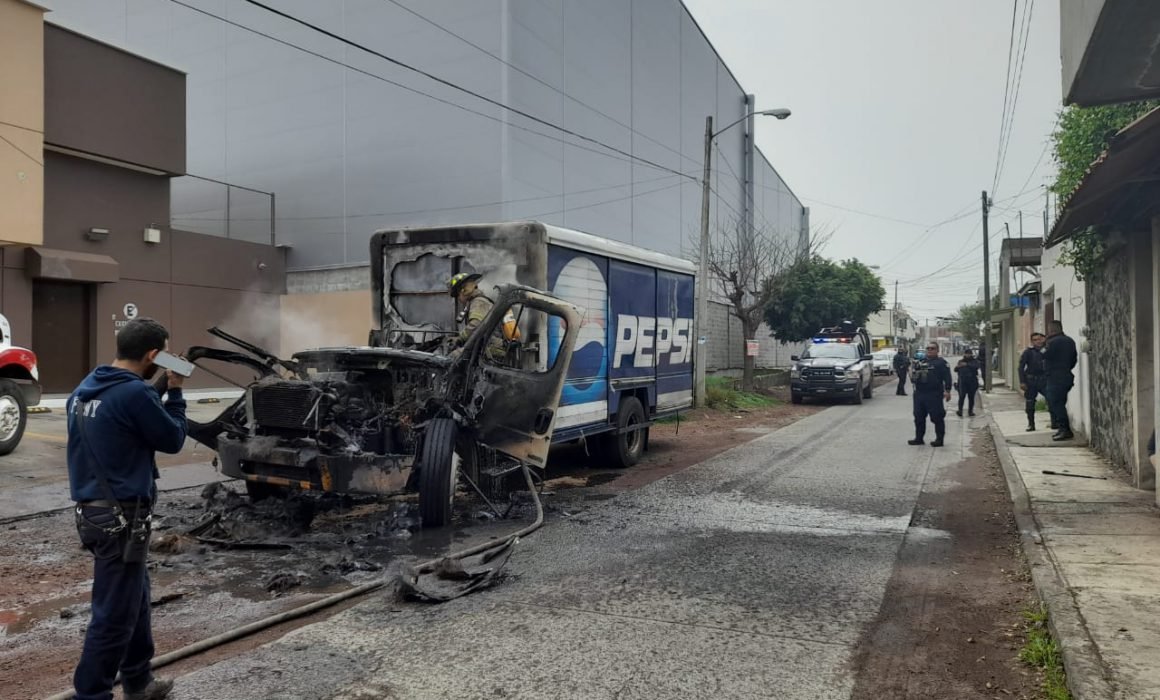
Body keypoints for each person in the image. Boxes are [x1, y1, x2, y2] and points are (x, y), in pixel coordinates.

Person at [68, 318, 187, 700]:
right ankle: (92, 694)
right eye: (162, 353)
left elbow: (126, 417)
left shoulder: (87, 387)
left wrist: (157, 390)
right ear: (153, 355)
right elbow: (172, 438)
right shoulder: (135, 396)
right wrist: (177, 393)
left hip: (95, 514)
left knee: (135, 601)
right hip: (121, 519)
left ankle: (138, 682)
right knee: (114, 617)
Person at [908, 342, 953, 447]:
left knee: (937, 417)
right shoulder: (921, 362)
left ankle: (939, 439)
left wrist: (947, 390)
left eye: (932, 348)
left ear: (937, 350)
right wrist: (911, 371)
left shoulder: (942, 363)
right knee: (918, 417)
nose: (929, 350)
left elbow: (947, 378)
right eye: (928, 348)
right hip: (919, 393)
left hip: (934, 394)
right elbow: (913, 377)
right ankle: (919, 438)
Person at [1043, 320, 1078, 441]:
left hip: (1055, 377)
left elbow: (1045, 355)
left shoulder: (1052, 342)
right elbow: (1074, 359)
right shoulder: (1070, 341)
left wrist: (1042, 346)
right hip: (1066, 375)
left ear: (1052, 330)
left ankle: (1065, 429)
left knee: (1055, 403)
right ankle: (1062, 428)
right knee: (1061, 402)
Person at [1019, 332, 1049, 432]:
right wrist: (1022, 381)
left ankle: (1055, 422)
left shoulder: (1047, 350)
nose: (1038, 341)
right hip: (1031, 381)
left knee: (1052, 399)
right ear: (1032, 341)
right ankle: (1031, 424)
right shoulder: (1028, 352)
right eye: (1035, 340)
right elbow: (1021, 367)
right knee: (1030, 403)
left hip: (1043, 379)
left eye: (1039, 339)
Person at [954, 349, 981, 417]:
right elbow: (955, 369)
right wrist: (958, 366)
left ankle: (970, 411)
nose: (968, 355)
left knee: (971, 397)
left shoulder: (974, 361)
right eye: (966, 353)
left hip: (972, 382)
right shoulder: (961, 361)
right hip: (962, 382)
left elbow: (976, 366)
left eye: (969, 354)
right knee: (961, 397)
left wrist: (966, 364)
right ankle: (960, 411)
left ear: (971, 354)